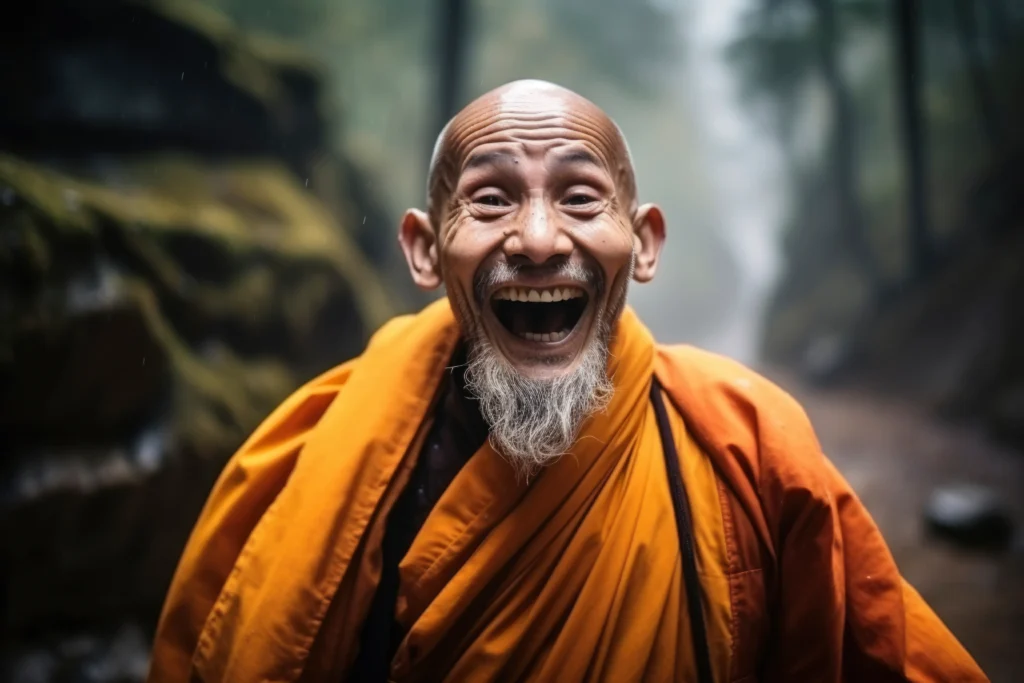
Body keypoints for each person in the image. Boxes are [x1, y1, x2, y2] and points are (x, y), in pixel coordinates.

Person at [147, 80, 987, 683]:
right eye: (490, 200)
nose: (541, 238)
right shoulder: (313, 445)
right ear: (425, 248)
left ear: (645, 242)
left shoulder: (748, 452)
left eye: (582, 198)